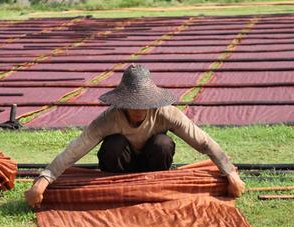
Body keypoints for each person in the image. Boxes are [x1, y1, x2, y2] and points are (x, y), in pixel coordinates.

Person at [25, 64, 245, 208]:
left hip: (153, 170)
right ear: (123, 102)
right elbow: (76, 148)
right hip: (118, 173)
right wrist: (43, 180)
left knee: (163, 142)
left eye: (144, 104)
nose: (139, 110)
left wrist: (230, 173)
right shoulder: (110, 118)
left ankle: (153, 190)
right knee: (114, 144)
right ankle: (120, 193)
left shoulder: (166, 113)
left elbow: (203, 142)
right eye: (133, 104)